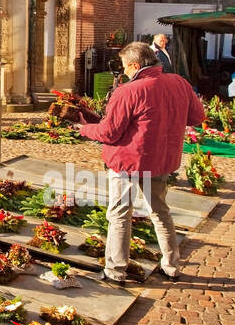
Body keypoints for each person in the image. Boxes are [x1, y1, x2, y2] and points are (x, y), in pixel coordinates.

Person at [63, 41, 205, 283]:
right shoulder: (179, 83)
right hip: (161, 161)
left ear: (136, 65)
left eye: (124, 67)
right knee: (160, 212)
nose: (123, 72)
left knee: (119, 214)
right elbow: (197, 116)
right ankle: (171, 266)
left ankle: (115, 270)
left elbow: (109, 133)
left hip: (128, 163)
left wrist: (84, 128)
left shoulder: (129, 91)